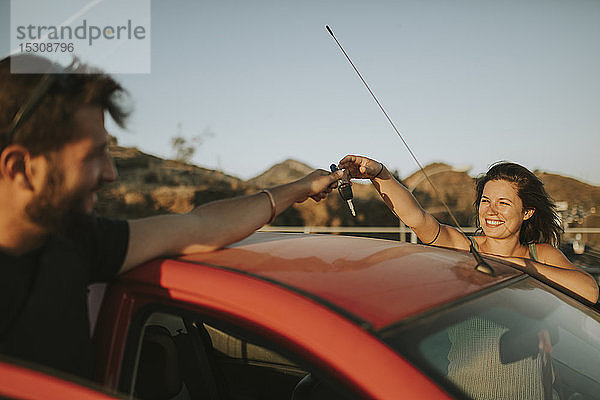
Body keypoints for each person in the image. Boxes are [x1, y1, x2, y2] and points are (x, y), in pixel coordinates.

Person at [0, 54, 343, 380]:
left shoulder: (76, 240)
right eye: (93, 155)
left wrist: (302, 187)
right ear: (20, 168)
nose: (111, 174)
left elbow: (203, 226)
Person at [338, 155, 599, 303]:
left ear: (527, 212)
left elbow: (589, 290)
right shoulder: (463, 247)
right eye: (485, 201)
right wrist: (380, 173)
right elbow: (416, 218)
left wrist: (510, 263)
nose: (490, 211)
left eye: (503, 203)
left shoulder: (540, 255)